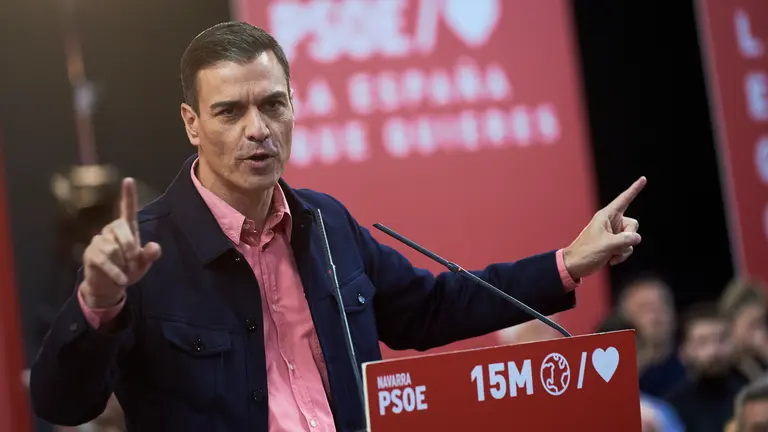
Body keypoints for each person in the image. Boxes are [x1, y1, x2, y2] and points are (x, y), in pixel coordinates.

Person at [29, 21, 646, 432]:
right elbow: (62, 402)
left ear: (293, 106)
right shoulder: (144, 251)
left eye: (273, 103)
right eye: (229, 111)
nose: (257, 128)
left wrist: (568, 261)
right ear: (192, 123)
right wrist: (98, 304)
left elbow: (432, 308)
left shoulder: (326, 223)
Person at [665, 303, 742, 432]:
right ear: (684, 351)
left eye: (722, 339)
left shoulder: (749, 396)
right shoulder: (671, 406)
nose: (714, 351)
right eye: (703, 342)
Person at [617, 273, 686, 397]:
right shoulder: (619, 373)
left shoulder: (691, 363)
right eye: (645, 308)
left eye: (661, 305)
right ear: (627, 318)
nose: (655, 315)